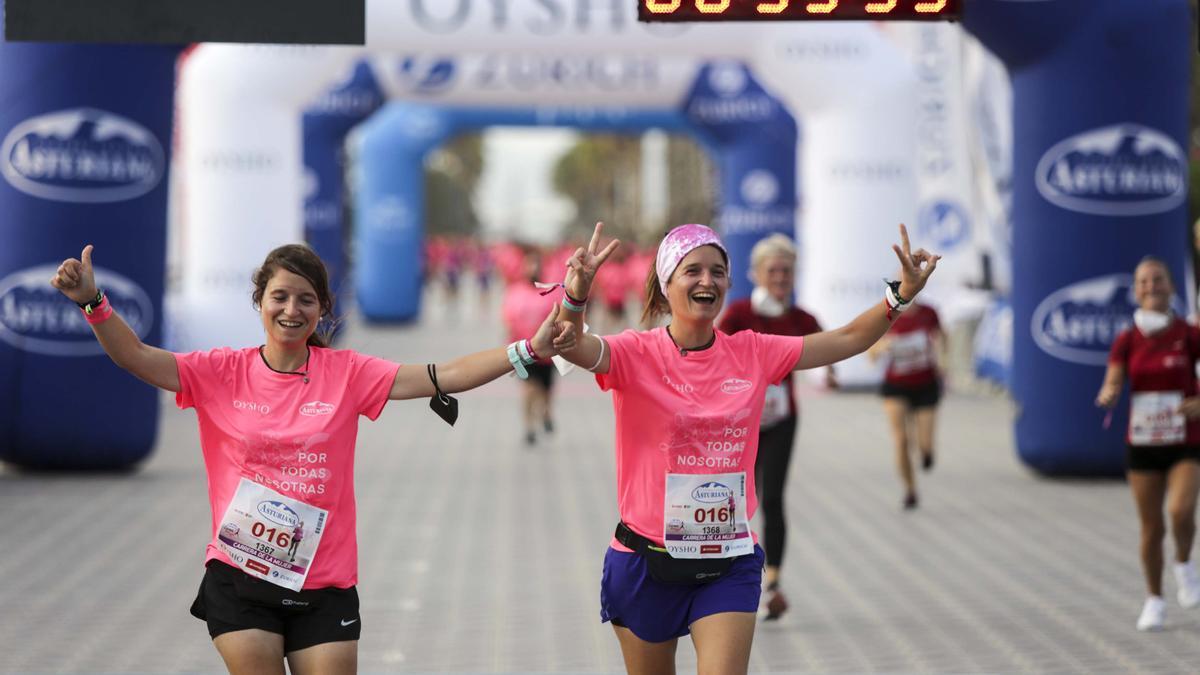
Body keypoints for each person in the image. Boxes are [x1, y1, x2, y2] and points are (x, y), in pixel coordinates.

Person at [50, 242, 574, 675]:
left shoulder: (347, 372)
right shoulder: (220, 371)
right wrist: (92, 301)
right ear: (259, 302)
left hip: (324, 584)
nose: (291, 310)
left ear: (322, 309)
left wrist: (527, 349)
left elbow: (446, 374)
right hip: (241, 579)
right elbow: (137, 357)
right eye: (279, 297)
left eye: (305, 300)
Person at [553, 221, 938, 674]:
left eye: (717, 271)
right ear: (666, 282)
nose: (706, 281)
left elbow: (848, 339)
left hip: (726, 560)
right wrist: (576, 295)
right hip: (645, 561)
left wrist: (900, 296)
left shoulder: (753, 351)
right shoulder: (634, 353)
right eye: (692, 270)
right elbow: (569, 344)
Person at [717, 233, 836, 621]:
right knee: (738, 499)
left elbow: (829, 345)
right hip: (741, 424)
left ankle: (774, 583)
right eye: (773, 270)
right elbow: (714, 352)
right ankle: (727, 575)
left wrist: (831, 374)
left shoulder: (801, 318)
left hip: (783, 419)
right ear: (756, 274)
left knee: (773, 500)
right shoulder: (738, 315)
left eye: (787, 270)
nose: (781, 277)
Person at [1096, 256, 1200, 632]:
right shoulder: (1127, 338)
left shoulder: (1189, 334)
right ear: (1135, 291)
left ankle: (1185, 563)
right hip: (1142, 443)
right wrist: (1109, 392)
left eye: (1158, 279)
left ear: (1171, 287)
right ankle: (1155, 599)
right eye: (1143, 281)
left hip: (1185, 440)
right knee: (1151, 527)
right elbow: (1114, 377)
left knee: (1180, 511)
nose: (1151, 286)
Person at [866, 289, 945, 510]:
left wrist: (943, 361)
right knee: (900, 440)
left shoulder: (929, 313)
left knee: (925, 445)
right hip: (896, 385)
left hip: (925, 382)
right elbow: (870, 352)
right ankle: (910, 489)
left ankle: (927, 453)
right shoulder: (887, 315)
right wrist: (884, 346)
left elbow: (942, 336)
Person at [501, 246, 561, 446]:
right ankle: (529, 427)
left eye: (537, 264)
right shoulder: (515, 292)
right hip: (523, 350)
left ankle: (545, 414)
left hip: (548, 352)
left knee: (545, 392)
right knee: (528, 389)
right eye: (530, 264)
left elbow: (560, 317)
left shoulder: (550, 291)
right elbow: (507, 319)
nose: (533, 268)